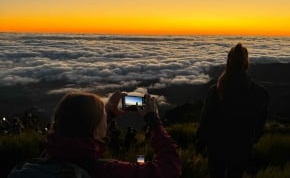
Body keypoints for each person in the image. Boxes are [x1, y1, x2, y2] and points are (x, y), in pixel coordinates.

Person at [8, 91, 182, 178]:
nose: (106, 122)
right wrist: (153, 121)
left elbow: (82, 131)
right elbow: (170, 169)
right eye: (103, 120)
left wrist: (108, 113)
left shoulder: (48, 158)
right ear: (94, 131)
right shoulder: (107, 171)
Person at [196, 43, 269, 178]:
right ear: (246, 64)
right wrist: (252, 139)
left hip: (216, 149)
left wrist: (200, 144)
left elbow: (205, 121)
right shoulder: (260, 93)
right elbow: (260, 124)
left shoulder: (215, 91)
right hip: (242, 149)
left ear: (228, 62)